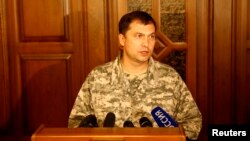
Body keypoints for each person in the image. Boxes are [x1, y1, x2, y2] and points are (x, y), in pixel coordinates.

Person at [68, 10, 202, 140]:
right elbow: (76, 123)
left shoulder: (170, 77)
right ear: (122, 39)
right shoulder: (97, 77)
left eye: (151, 36)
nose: (146, 44)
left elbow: (192, 120)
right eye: (139, 36)